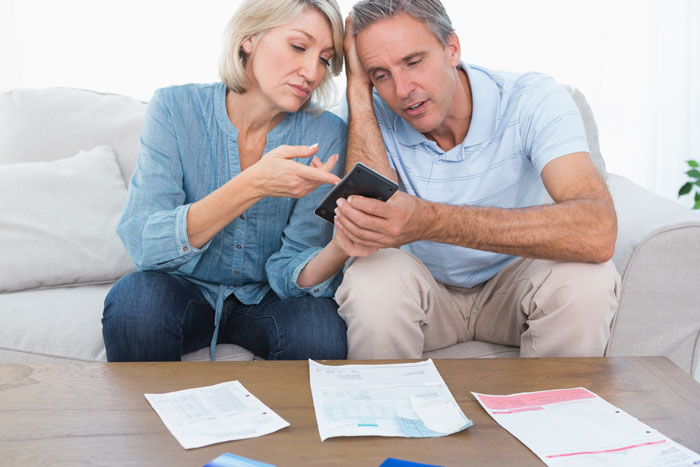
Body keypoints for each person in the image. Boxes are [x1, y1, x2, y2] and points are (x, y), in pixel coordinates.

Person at [334, 0, 621, 359]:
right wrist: (359, 90)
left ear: (451, 48)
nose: (403, 89)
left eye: (413, 62)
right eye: (380, 74)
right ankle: (388, 410)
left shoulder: (530, 100)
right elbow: (369, 227)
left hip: (512, 289)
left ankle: (551, 411)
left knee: (588, 280)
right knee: (372, 277)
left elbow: (597, 230)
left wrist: (429, 220)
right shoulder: (369, 111)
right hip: (425, 293)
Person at [102, 0, 365, 362]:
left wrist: (340, 247)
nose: (312, 71)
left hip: (267, 299)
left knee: (318, 328)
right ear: (249, 38)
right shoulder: (174, 109)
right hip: (184, 287)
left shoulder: (326, 131)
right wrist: (254, 183)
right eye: (299, 47)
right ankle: (150, 419)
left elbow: (291, 268)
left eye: (324, 58)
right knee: (136, 303)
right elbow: (145, 244)